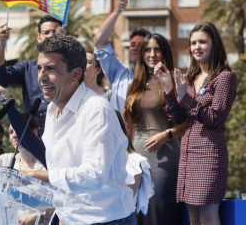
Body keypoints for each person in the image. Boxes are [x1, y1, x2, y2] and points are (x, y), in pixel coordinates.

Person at [28, 34, 136, 224]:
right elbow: (59, 168)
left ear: (76, 74)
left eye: (51, 68)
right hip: (70, 218)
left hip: (107, 220)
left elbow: (93, 176)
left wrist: (37, 176)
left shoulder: (96, 109)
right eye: (39, 68)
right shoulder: (53, 110)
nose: (42, 77)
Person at [154, 22, 237, 225]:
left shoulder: (225, 77)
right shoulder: (190, 78)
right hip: (188, 155)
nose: (196, 47)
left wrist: (184, 95)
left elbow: (214, 117)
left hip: (210, 155)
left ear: (214, 44)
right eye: (193, 43)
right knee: (193, 219)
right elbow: (180, 119)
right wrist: (169, 89)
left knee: (208, 217)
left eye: (202, 41)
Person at [123, 33, 182, 224]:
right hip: (135, 160)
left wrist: (167, 134)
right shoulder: (134, 85)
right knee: (137, 212)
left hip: (164, 157)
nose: (152, 54)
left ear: (165, 53)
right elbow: (128, 125)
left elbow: (188, 121)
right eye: (147, 49)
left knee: (159, 210)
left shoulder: (175, 81)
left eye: (157, 49)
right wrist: (125, 154)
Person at [0, 15, 64, 134]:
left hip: (62, 132)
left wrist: (65, 47)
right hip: (34, 134)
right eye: (46, 32)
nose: (51, 36)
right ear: (39, 37)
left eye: (55, 32)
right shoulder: (27, 67)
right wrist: (2, 44)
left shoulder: (71, 66)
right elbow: (1, 78)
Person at [93, 0, 150, 112]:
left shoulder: (158, 80)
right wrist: (117, 11)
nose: (134, 48)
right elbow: (99, 41)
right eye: (132, 44)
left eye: (140, 45)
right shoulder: (119, 74)